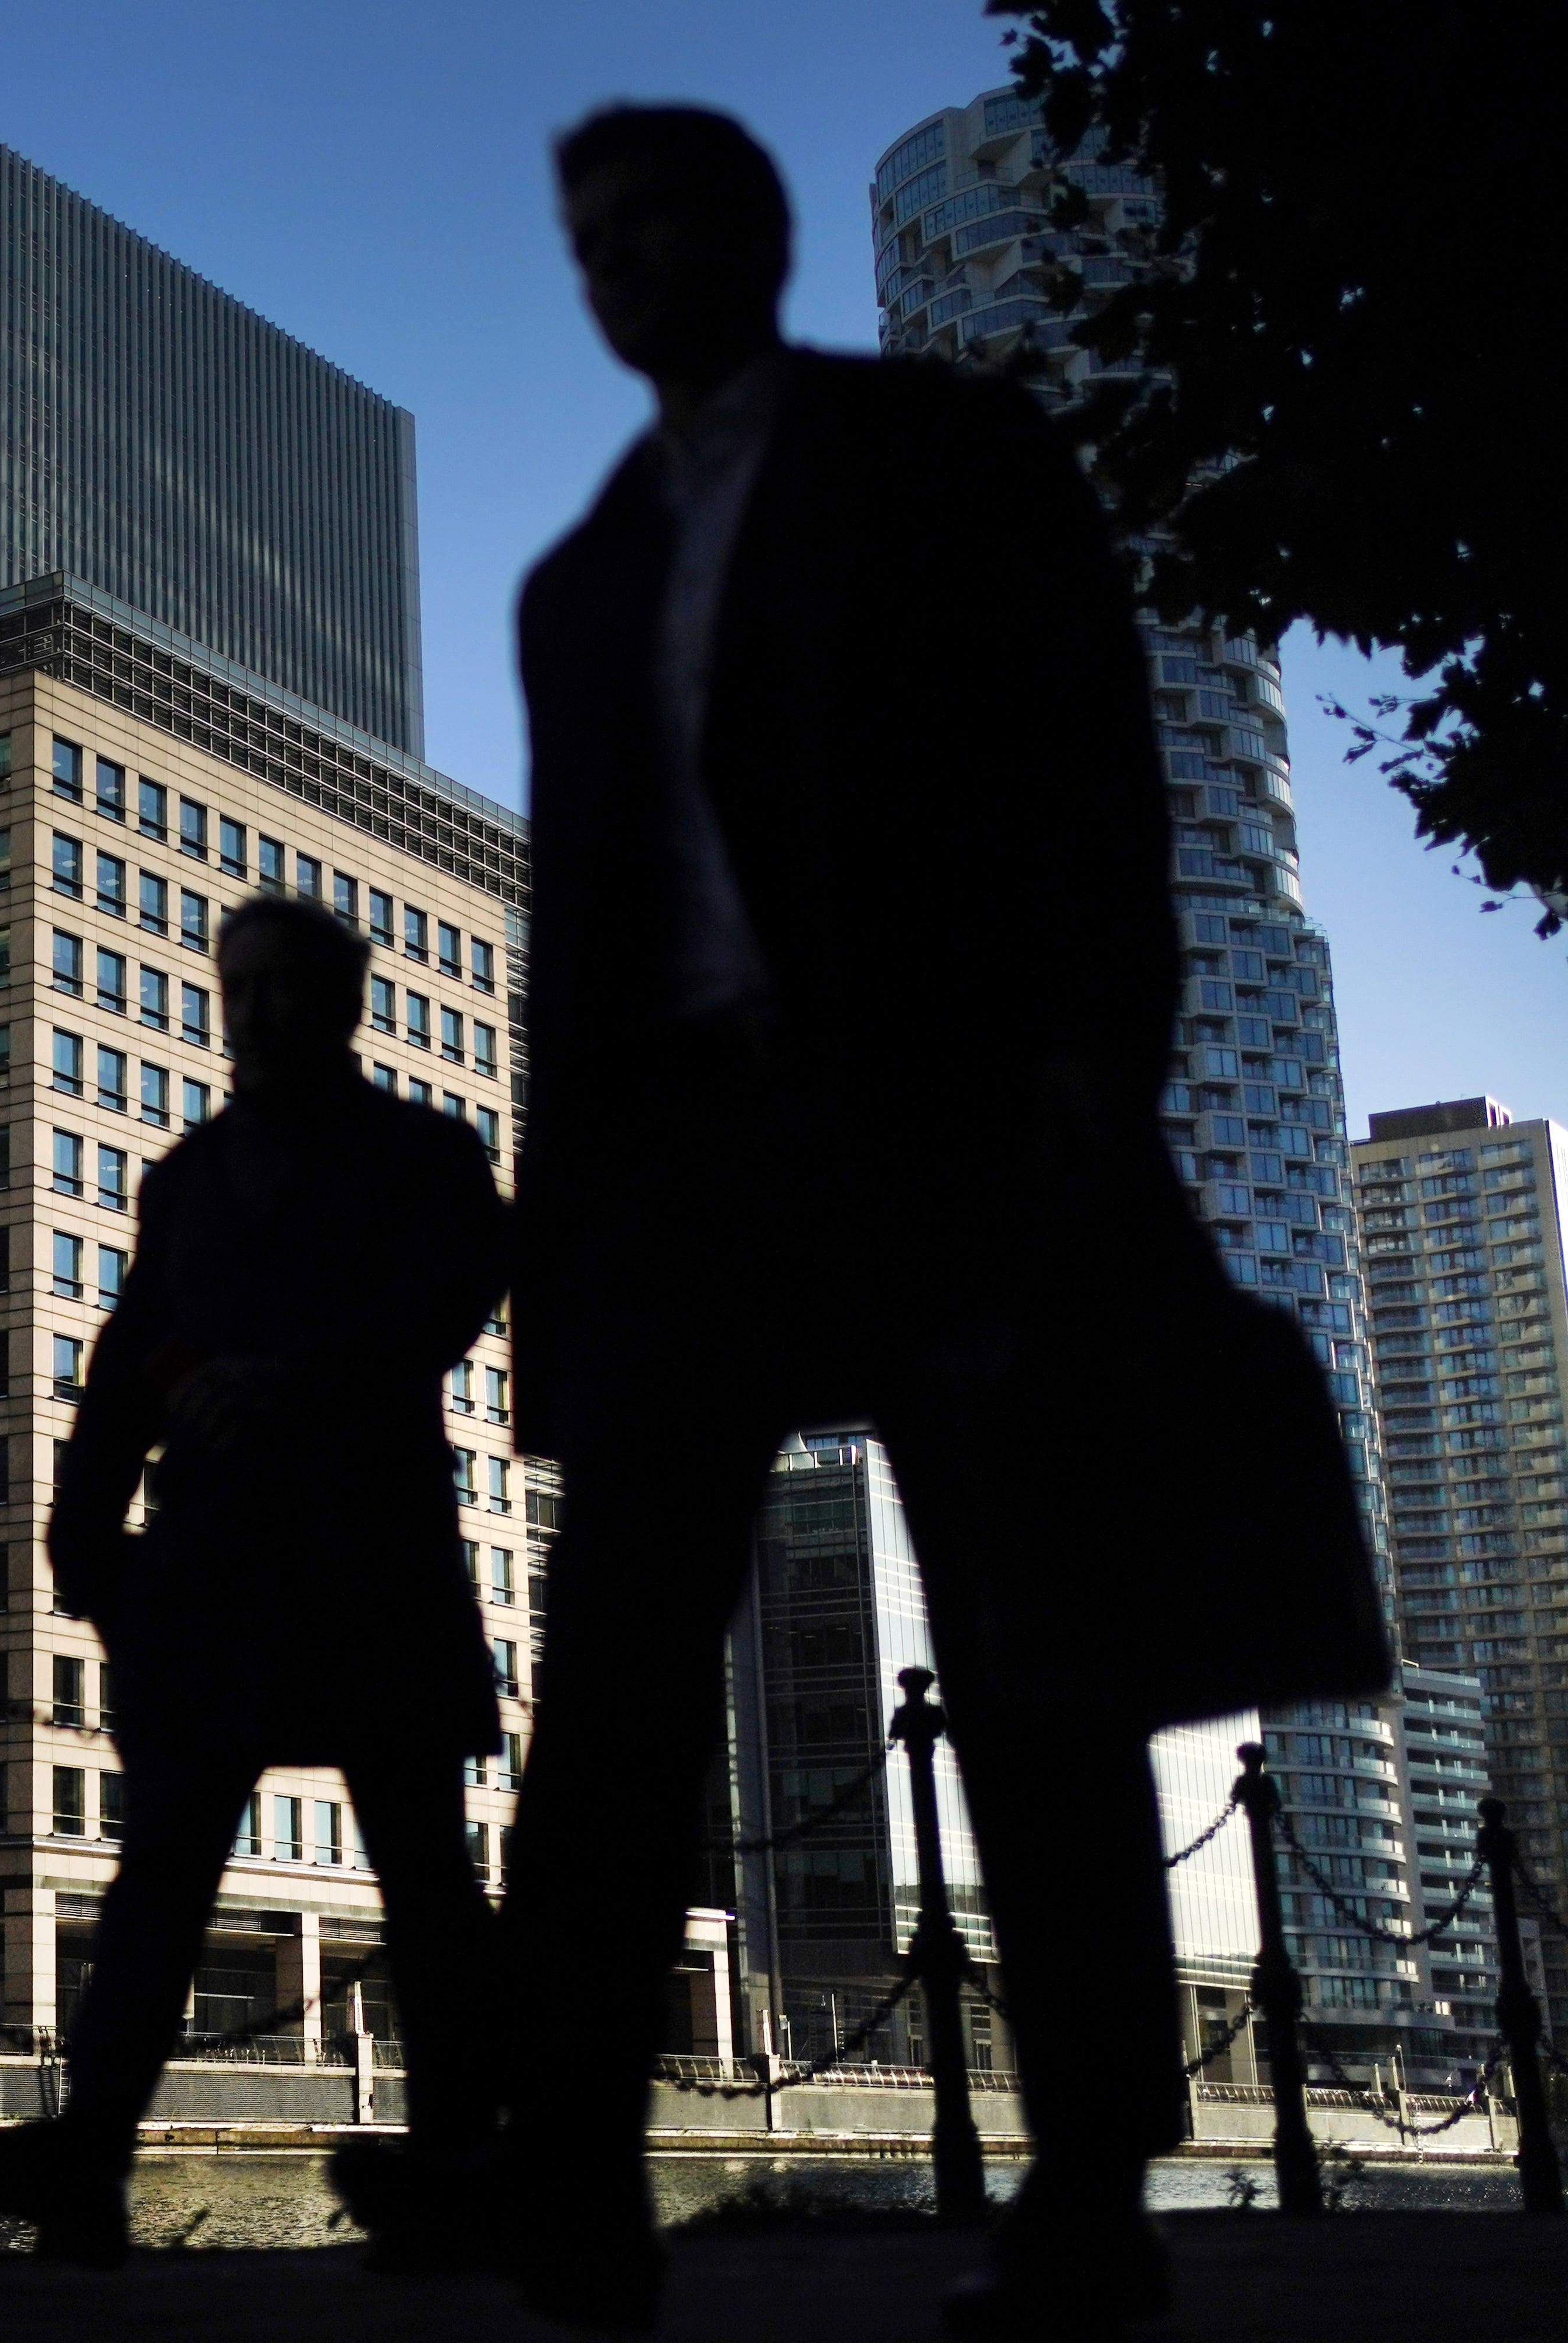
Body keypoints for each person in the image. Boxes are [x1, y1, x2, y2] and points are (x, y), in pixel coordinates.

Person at [497, 105, 1383, 2334]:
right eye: (587, 240)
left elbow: (1097, 764)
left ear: (760, 233)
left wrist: (1100, 1065)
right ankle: (570, 2182)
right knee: (606, 1685)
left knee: (1033, 1656)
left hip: (945, 1131)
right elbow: (569, 942)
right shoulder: (576, 577)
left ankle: (1088, 2188)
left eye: (657, 223)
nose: (620, 268)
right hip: (687, 1183)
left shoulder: (946, 452)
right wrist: (553, 1263)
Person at [0, 894, 510, 2268]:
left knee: (422, 1864)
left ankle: (459, 2161)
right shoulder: (186, 1178)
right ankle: (89, 2163)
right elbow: (130, 1358)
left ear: (347, 1000)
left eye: (285, 986)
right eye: (239, 988)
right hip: (220, 1567)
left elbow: (444, 1306)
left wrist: (287, 1383)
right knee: (163, 1867)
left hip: (369, 1553)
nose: (256, 1012)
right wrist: (84, 1541)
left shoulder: (429, 1156)